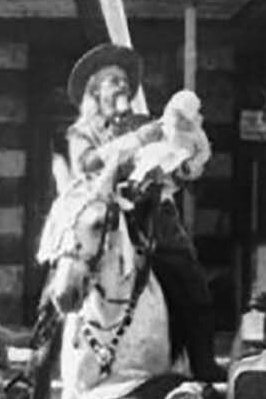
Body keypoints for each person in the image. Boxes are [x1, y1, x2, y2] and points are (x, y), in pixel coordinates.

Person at [64, 43, 222, 382]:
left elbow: (173, 166)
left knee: (191, 280)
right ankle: (38, 368)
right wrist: (138, 139)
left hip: (154, 218)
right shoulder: (82, 133)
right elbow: (88, 163)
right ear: (95, 91)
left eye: (124, 81)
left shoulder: (148, 123)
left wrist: (186, 159)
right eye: (111, 81)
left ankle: (201, 362)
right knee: (62, 280)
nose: (121, 87)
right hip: (102, 222)